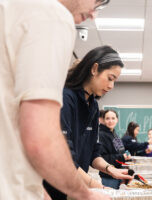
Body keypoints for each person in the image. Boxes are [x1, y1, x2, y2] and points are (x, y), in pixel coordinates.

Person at [0, 0, 111, 199]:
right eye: (96, 1)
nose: (94, 14)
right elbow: (40, 138)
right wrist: (84, 193)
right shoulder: (52, 16)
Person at [43, 46, 132, 199]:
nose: (111, 86)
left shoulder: (93, 106)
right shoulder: (65, 98)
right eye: (110, 78)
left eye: (114, 81)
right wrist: (99, 187)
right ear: (95, 69)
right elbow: (63, 158)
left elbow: (93, 152)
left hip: (75, 187)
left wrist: (110, 169)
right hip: (54, 188)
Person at [99, 109, 131, 189]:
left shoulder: (114, 133)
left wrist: (126, 156)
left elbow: (120, 150)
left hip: (120, 175)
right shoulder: (101, 135)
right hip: (109, 177)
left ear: (117, 120)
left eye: (113, 118)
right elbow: (102, 158)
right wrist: (122, 157)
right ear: (103, 120)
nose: (110, 121)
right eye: (107, 118)